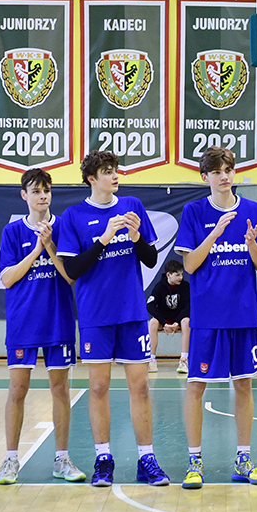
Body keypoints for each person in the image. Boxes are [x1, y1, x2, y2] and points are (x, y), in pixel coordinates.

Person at [58, 150, 167, 486]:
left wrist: (136, 237)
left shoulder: (132, 206)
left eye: (116, 169)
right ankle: (103, 458)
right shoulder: (74, 215)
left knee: (141, 386)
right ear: (92, 178)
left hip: (131, 312)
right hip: (96, 314)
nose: (115, 175)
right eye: (107, 171)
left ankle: (146, 459)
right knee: (98, 386)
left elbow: (151, 259)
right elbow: (72, 270)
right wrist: (104, 238)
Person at [175, 146, 257, 488]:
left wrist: (252, 245)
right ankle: (194, 461)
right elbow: (189, 266)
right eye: (216, 171)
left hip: (243, 315)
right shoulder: (194, 211)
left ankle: (244, 459)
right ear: (205, 177)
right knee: (195, 387)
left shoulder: (254, 211)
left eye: (228, 169)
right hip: (207, 317)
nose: (224, 176)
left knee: (243, 385)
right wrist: (214, 234)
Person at [0, 168, 84, 485]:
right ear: (24, 195)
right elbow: (7, 279)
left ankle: (62, 458)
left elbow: (70, 275)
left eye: (46, 190)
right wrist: (36, 249)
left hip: (58, 319)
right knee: (17, 390)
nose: (42, 196)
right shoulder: (12, 232)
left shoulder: (64, 227)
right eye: (35, 191)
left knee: (60, 389)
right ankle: (10, 459)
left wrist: (49, 246)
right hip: (23, 322)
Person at [146, 259, 190, 374]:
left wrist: (177, 322)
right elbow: (150, 305)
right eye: (177, 275)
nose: (181, 277)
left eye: (182, 274)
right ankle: (152, 359)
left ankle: (184, 359)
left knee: (186, 322)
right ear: (169, 275)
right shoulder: (159, 287)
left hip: (179, 319)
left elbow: (189, 306)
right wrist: (164, 323)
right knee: (153, 322)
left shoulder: (185, 286)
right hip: (164, 320)